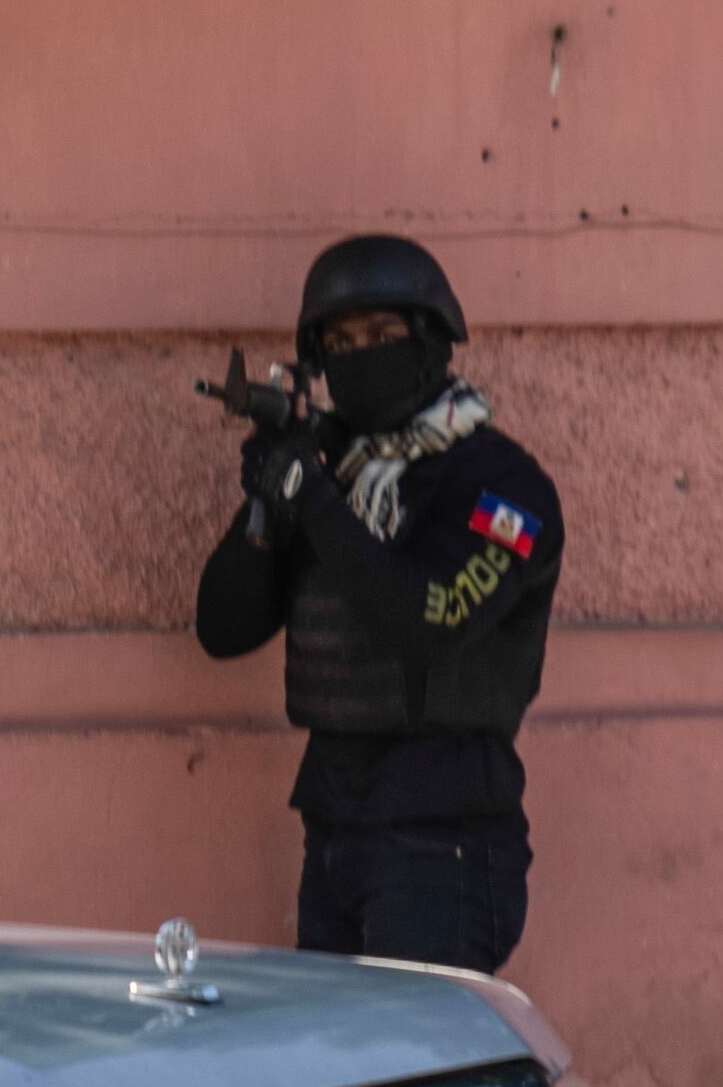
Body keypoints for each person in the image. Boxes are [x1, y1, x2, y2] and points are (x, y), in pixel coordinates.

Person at [191, 235, 560, 971]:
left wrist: (312, 497)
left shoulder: (500, 485)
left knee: (418, 1046)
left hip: (443, 840)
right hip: (334, 823)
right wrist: (268, 502)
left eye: (381, 334)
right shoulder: (340, 477)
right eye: (340, 343)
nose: (360, 355)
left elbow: (433, 619)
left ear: (430, 342)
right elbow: (223, 629)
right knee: (340, 1045)